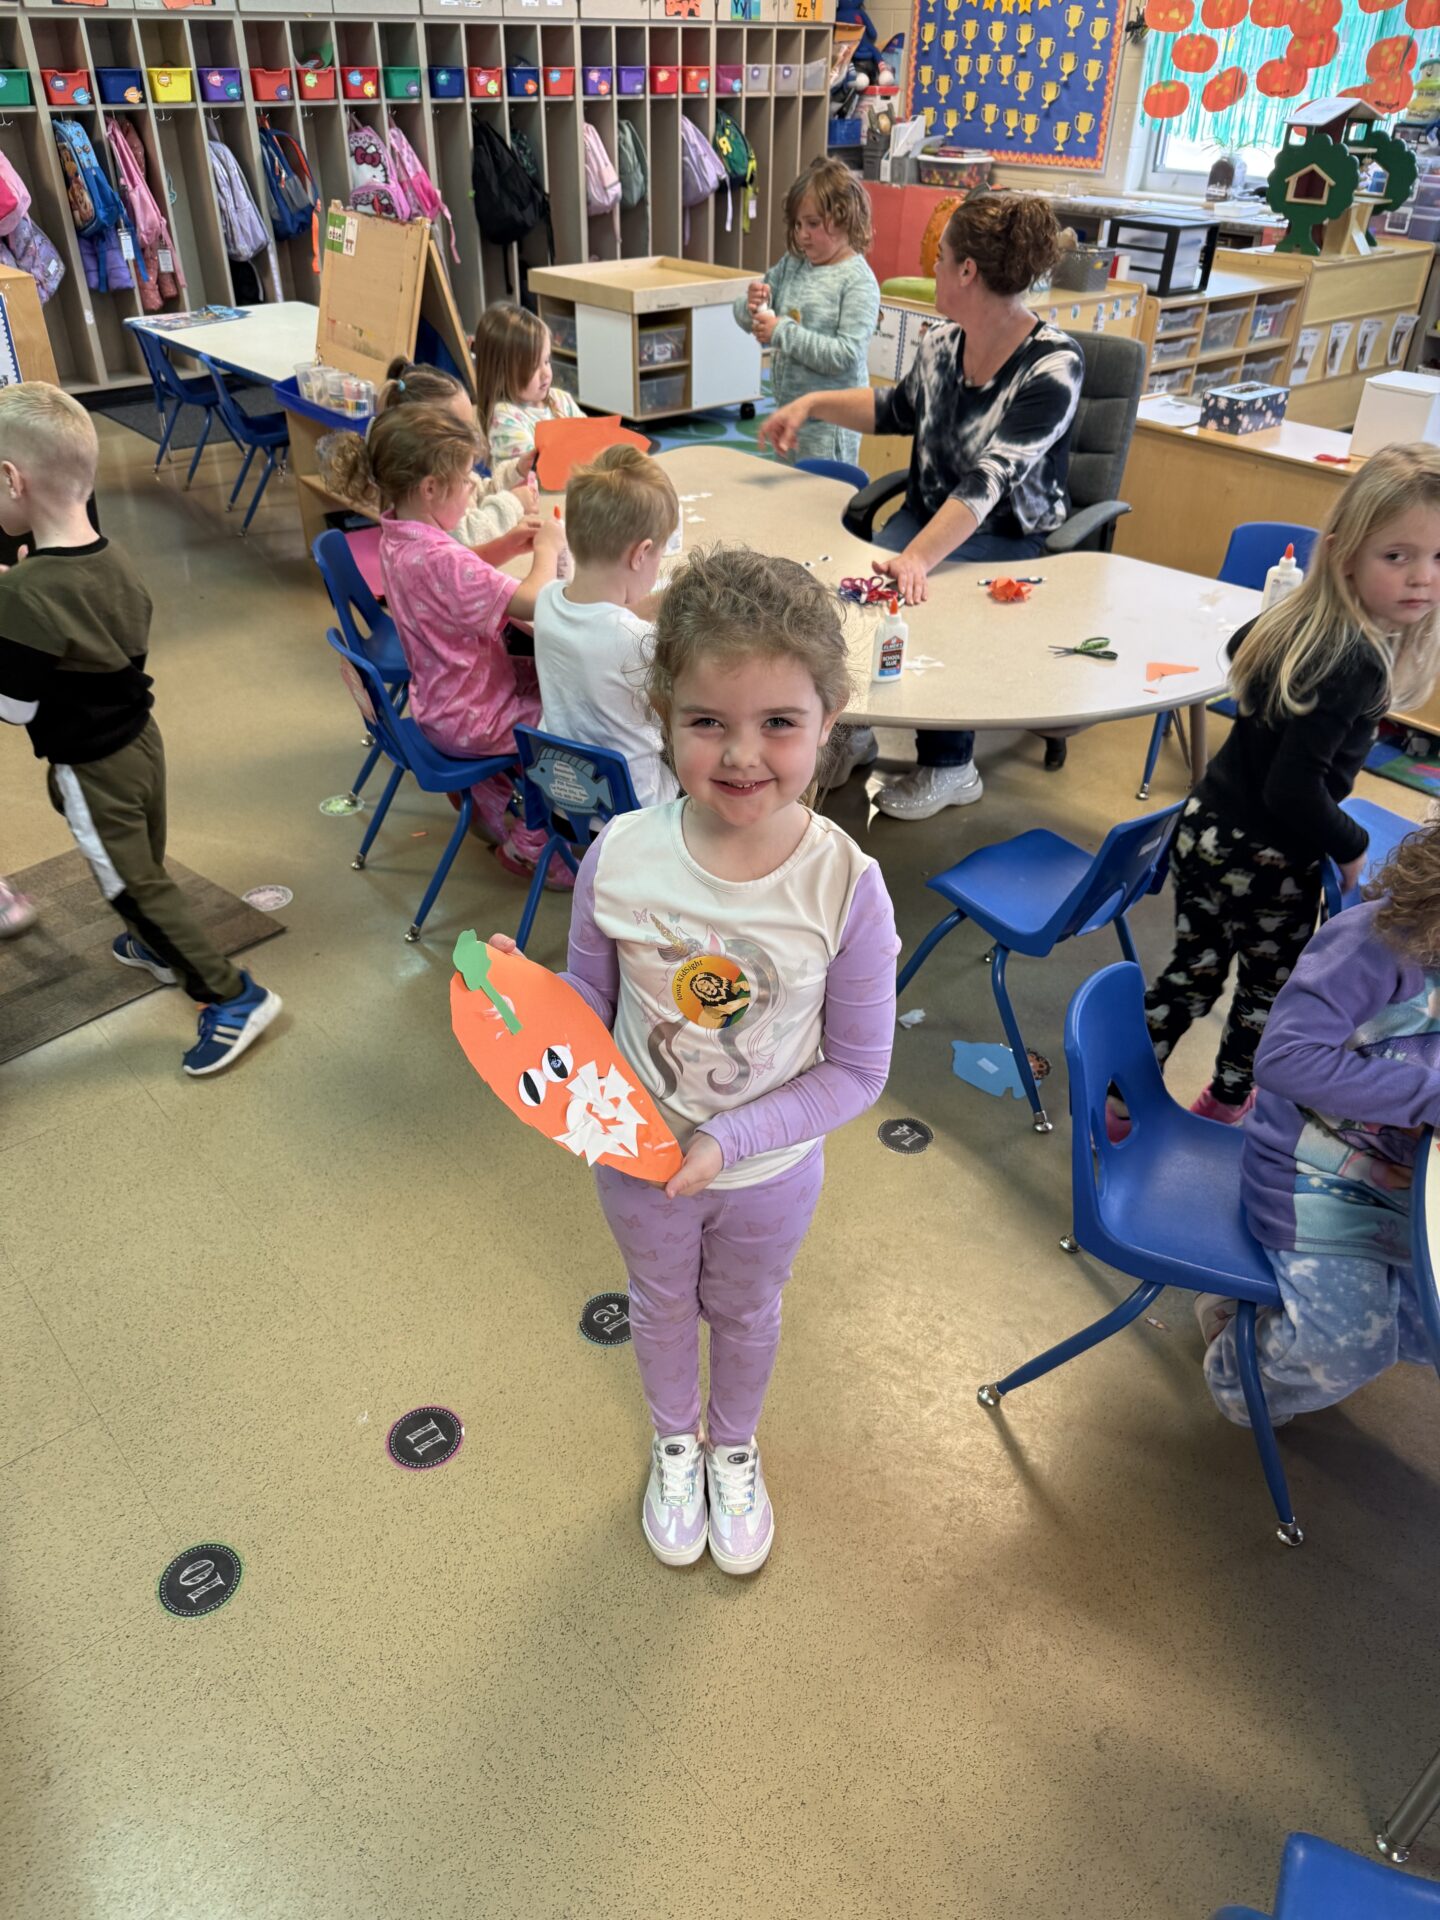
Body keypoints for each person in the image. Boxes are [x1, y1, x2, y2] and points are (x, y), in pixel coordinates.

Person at [491, 548, 898, 1573]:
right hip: (638, 1161)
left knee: (748, 1311)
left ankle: (733, 1445)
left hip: (764, 1174)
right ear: (665, 713)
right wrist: (526, 1002)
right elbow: (591, 1001)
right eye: (708, 721)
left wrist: (726, 1140)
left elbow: (856, 1070)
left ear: (828, 723)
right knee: (661, 1304)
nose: (741, 754)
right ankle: (677, 1439)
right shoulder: (621, 854)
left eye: (779, 724)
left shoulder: (847, 887)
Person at [1126, 443, 1440, 1134]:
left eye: (1439, 558)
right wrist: (1352, 844)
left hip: (1205, 828)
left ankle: (1120, 1097)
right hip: (1268, 859)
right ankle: (1228, 1100)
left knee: (1193, 972)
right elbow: (1292, 791)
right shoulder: (1356, 658)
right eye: (1399, 556)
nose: (1423, 578)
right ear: (1344, 554)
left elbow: (1242, 645)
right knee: (1268, 992)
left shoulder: (1299, 620)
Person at [760, 193, 1083, 820]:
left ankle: (951, 764)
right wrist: (813, 404)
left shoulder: (1054, 365)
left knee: (922, 603)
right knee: (847, 591)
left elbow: (990, 482)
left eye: (941, 260)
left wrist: (915, 558)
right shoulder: (941, 343)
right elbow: (894, 412)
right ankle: (856, 725)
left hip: (1005, 533)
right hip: (928, 516)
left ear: (968, 272)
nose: (932, 269)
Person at [0, 383, 280, 1074]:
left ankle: (231, 995)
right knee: (145, 861)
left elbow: (15, 708)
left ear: (12, 479)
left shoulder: (22, 593)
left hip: (92, 766)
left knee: (132, 885)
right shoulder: (114, 558)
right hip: (140, 744)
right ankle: (158, 946)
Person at [1199, 826, 1440, 1427]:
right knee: (1346, 1345)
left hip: (1404, 1170)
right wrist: (1426, 1096)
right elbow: (1282, 1059)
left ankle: (1281, 1307)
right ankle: (1236, 1368)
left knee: (1424, 1324)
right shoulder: (1376, 942)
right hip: (1309, 1167)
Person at [357, 403, 571, 882]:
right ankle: (531, 845)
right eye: (466, 479)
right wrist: (548, 548)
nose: (475, 485)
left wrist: (509, 545)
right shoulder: (438, 558)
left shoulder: (398, 533)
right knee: (567, 721)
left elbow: (454, 565)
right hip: (475, 716)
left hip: (438, 705)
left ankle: (490, 798)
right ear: (431, 489)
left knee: (542, 676)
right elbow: (535, 600)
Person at [532, 444, 679, 809]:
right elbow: (680, 707)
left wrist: (647, 607)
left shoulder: (547, 602)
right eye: (660, 553)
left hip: (563, 795)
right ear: (641, 553)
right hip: (633, 808)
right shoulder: (637, 641)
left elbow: (601, 624)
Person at [732, 157, 881, 470]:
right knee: (790, 497)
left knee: (822, 502)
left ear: (844, 218)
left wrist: (781, 331)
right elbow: (752, 318)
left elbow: (846, 354)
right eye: (798, 224)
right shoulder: (793, 264)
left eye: (813, 224)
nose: (803, 234)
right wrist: (749, 306)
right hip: (789, 414)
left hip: (831, 426)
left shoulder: (858, 281)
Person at [321, 356, 540, 555]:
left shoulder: (441, 475)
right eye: (460, 430)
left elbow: (480, 491)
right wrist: (513, 503)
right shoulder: (424, 505)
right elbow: (468, 538)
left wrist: (517, 471)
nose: (471, 439)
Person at [473, 302, 583, 470]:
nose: (546, 373)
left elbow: (589, 440)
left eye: (546, 361)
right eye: (533, 367)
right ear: (502, 373)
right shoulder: (504, 417)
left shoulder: (561, 399)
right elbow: (537, 471)